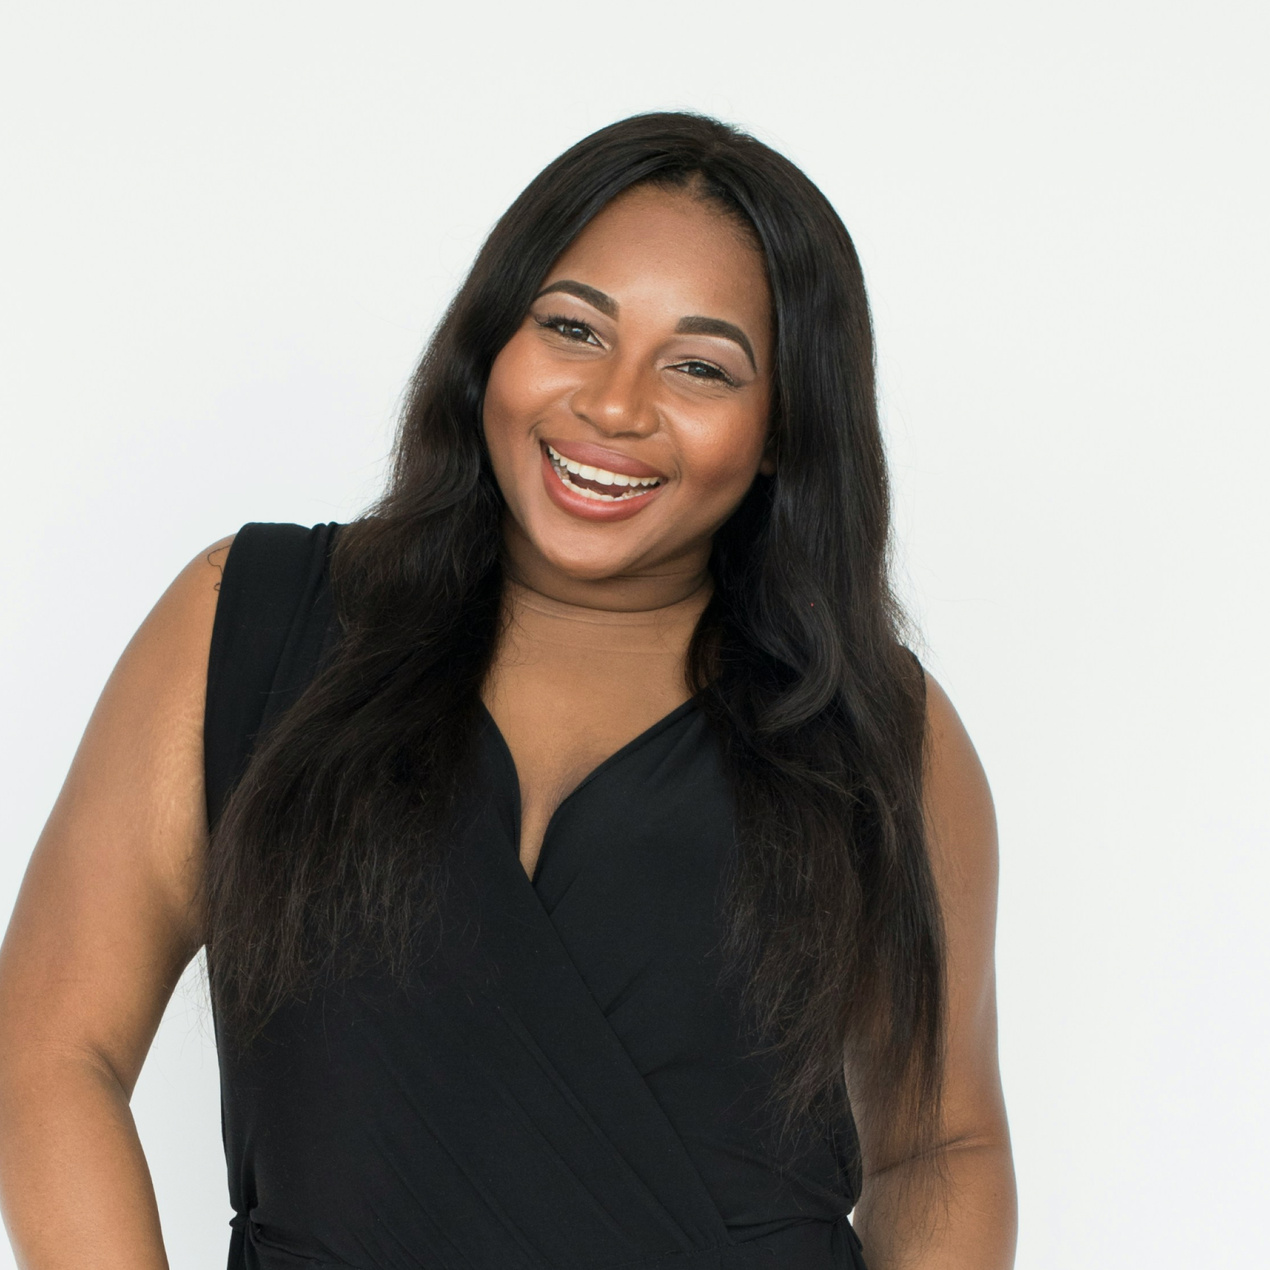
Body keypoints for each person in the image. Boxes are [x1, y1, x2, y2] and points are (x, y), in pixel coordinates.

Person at [0, 112, 1017, 1269]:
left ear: (783, 428)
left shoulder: (877, 731)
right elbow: (50, 1047)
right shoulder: (246, 622)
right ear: (491, 342)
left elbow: (941, 1145)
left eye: (699, 365)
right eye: (574, 327)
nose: (615, 405)